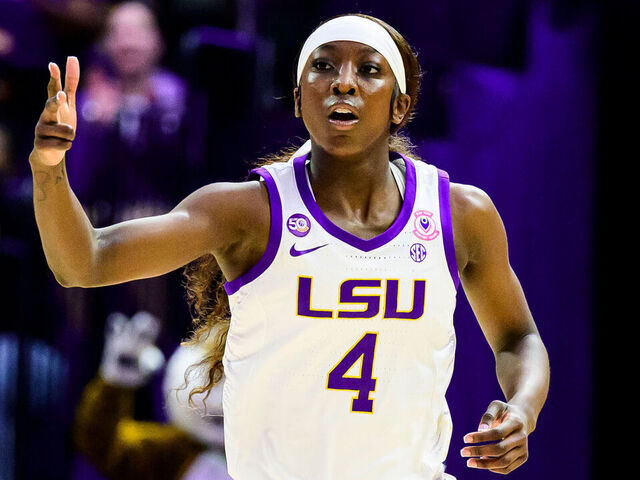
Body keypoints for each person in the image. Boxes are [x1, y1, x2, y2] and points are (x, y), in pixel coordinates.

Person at [29, 13, 550, 479]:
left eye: (369, 70)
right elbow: (85, 262)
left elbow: (518, 337)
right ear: (299, 99)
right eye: (323, 66)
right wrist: (49, 169)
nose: (343, 82)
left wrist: (521, 409)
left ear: (401, 105)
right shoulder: (246, 211)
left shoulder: (460, 213)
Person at [74, 311, 232, 480]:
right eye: (213, 380)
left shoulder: (254, 449)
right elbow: (105, 445)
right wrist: (113, 386)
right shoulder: (168, 453)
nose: (219, 402)